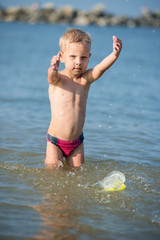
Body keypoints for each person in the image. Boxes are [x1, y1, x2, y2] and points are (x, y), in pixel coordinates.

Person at [45, 28, 122, 168]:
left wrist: (114, 55)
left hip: (77, 143)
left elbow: (100, 69)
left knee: (78, 173)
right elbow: (51, 77)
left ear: (89, 57)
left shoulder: (85, 80)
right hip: (55, 141)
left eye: (83, 57)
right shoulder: (59, 79)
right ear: (61, 57)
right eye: (73, 57)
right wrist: (52, 68)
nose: (78, 62)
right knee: (53, 170)